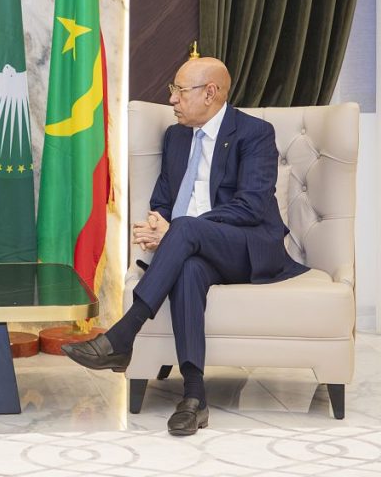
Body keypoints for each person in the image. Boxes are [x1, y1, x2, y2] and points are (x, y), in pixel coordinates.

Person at [62, 57, 307, 436]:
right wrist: (160, 220)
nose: (172, 100)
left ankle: (123, 336)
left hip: (247, 247)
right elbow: (162, 197)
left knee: (187, 231)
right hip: (195, 250)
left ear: (211, 93)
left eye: (179, 91)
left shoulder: (254, 133)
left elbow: (251, 206)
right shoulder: (175, 136)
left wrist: (179, 230)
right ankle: (194, 398)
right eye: (172, 91)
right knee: (189, 270)